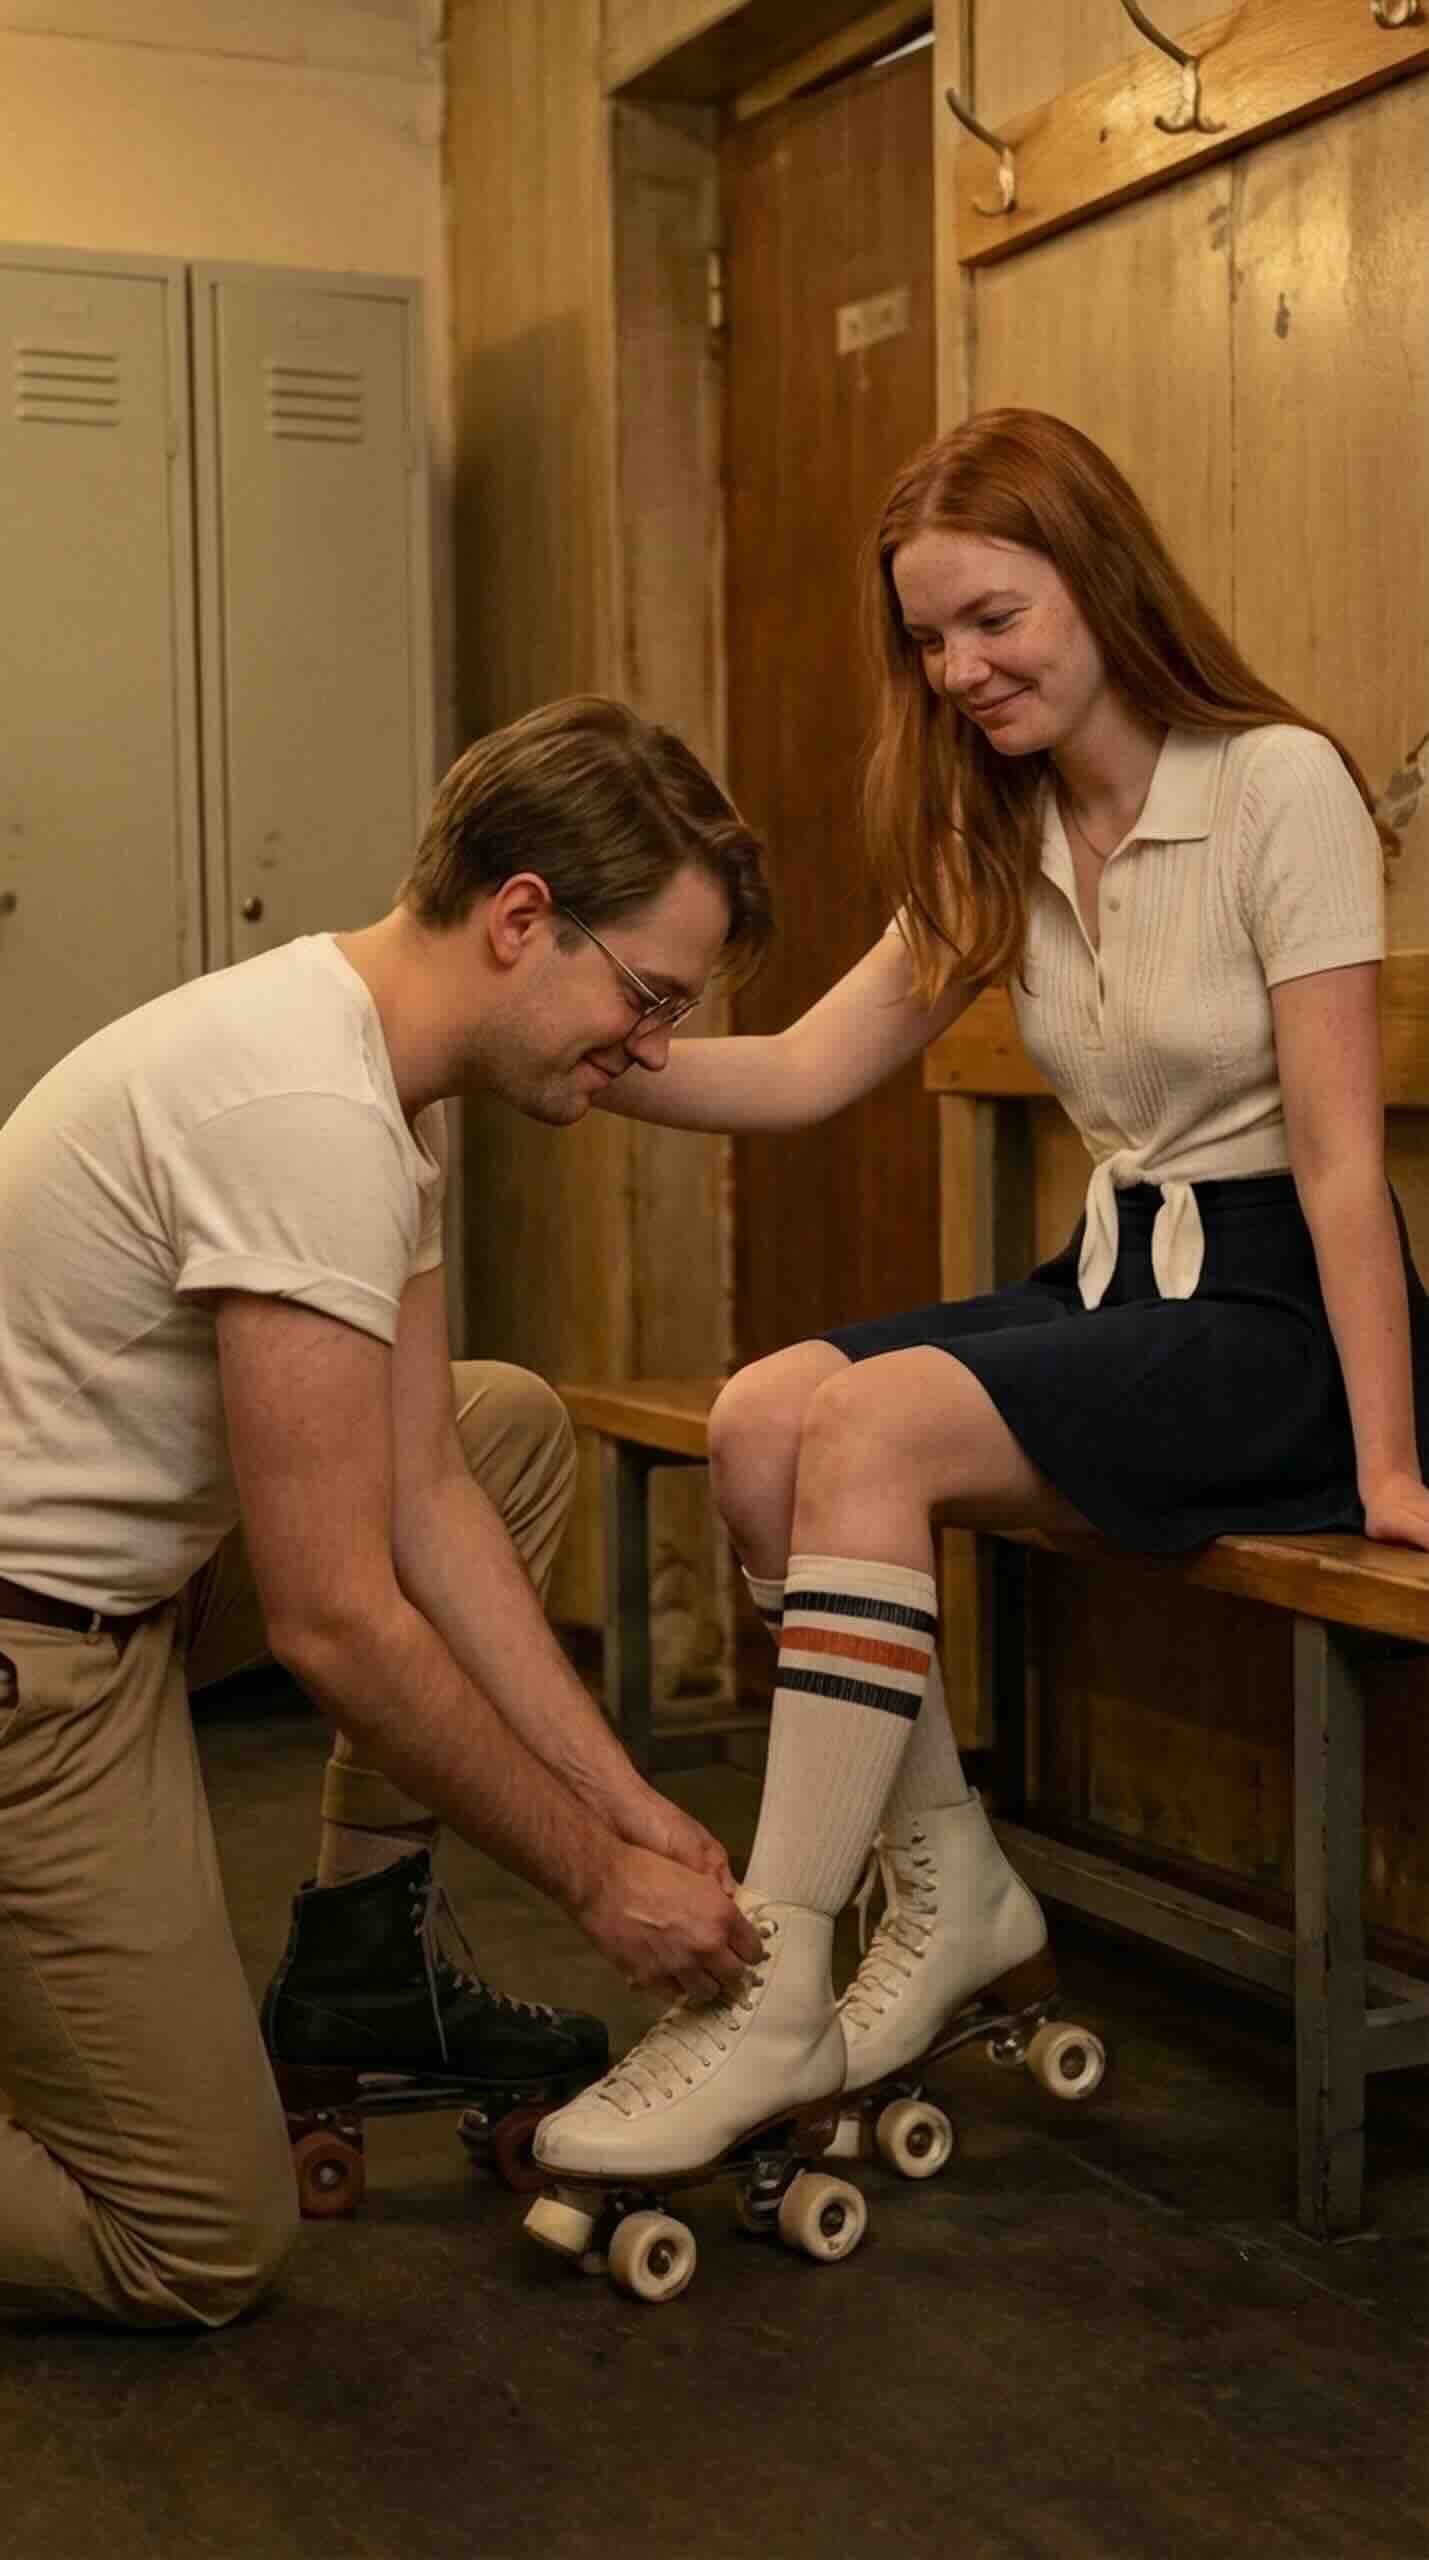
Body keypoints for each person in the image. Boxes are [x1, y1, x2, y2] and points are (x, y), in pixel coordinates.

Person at [532, 406, 1429, 2193]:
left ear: (1098, 579)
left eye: (991, 619)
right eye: (929, 636)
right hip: (1118, 1296)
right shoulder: (994, 826)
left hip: (1278, 1328)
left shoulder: (1275, 786)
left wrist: (1393, 1466)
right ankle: (949, 1889)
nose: (957, 671)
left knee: (867, 1425)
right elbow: (802, 1069)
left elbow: (1341, 1166)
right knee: (762, 1417)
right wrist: (564, 1039)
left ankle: (770, 1983)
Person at [0, 695, 771, 2330]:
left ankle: (361, 1956)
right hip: (32, 1663)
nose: (649, 1047)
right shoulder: (304, 1118)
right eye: (644, 997)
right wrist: (593, 1879)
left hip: (119, 1591)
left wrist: (625, 1801)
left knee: (500, 1427)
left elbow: (424, 1489)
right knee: (194, 2242)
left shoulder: (372, 1081)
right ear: (520, 919)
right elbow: (336, 1621)